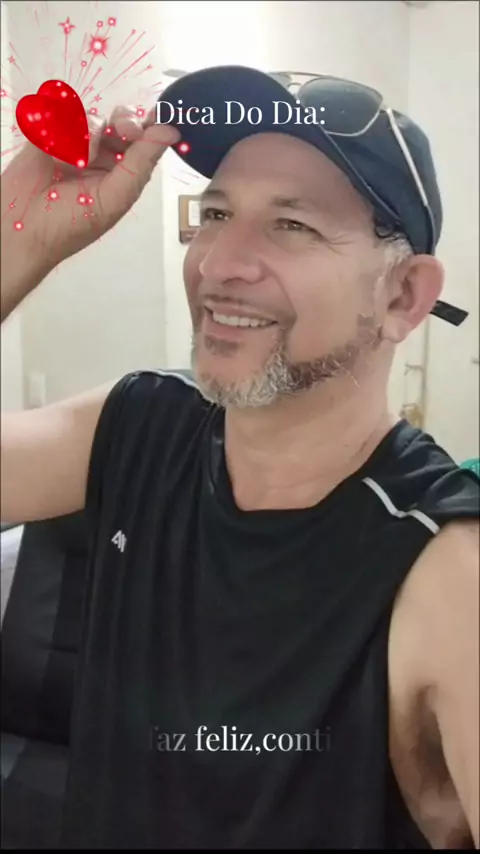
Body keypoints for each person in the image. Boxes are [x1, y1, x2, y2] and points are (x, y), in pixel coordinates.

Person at [1, 65, 478, 850]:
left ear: (403, 297)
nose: (219, 263)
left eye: (292, 225)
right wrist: (14, 241)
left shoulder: (446, 569)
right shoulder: (140, 426)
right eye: (216, 212)